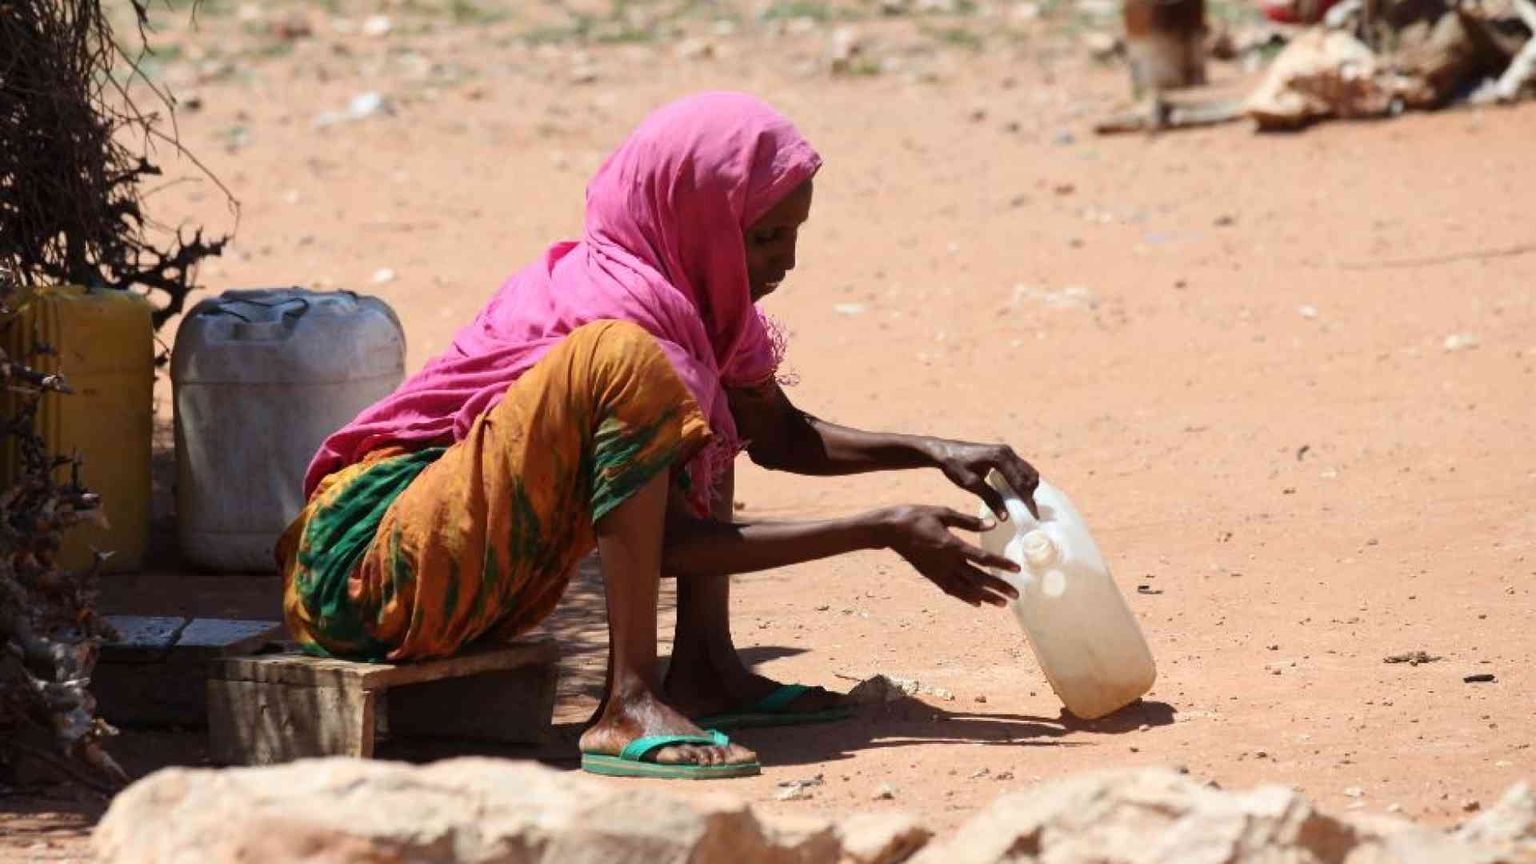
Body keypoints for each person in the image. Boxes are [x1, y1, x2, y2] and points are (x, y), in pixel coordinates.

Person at [278, 91, 1041, 780]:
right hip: (361, 576)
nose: (788, 261)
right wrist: (881, 527)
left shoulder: (694, 309)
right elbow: (669, 543)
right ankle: (627, 703)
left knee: (713, 413)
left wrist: (932, 450)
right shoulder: (618, 313)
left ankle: (704, 667)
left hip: (462, 576)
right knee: (640, 370)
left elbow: (775, 436)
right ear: (700, 219)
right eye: (767, 237)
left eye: (794, 234)